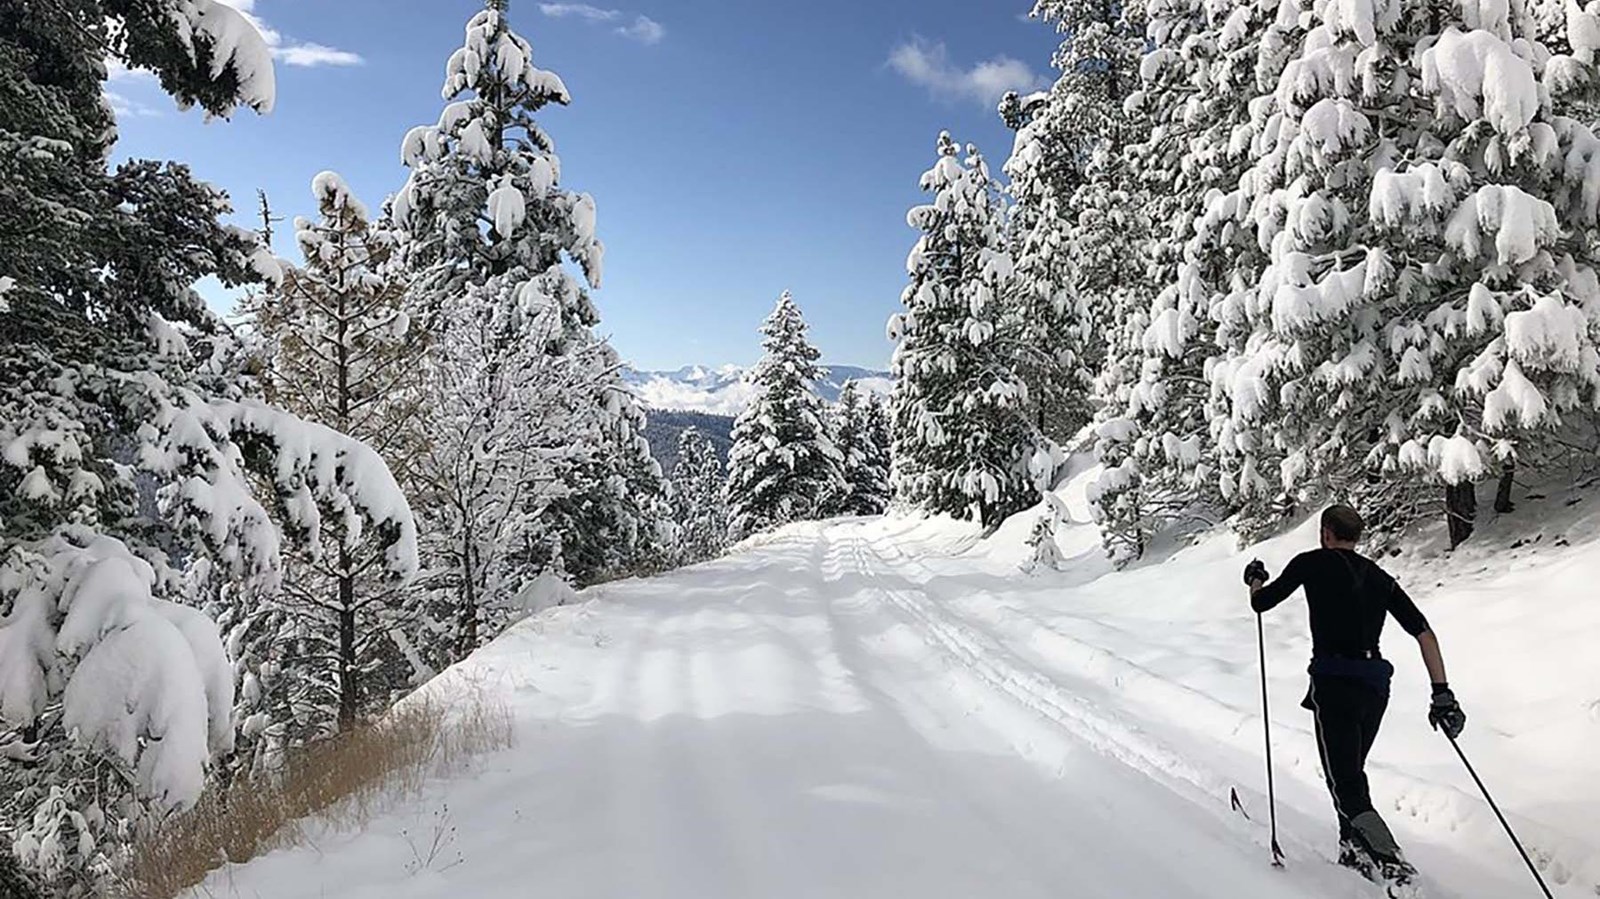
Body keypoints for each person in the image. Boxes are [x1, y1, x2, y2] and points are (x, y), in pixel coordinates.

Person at [1244, 504, 1467, 888]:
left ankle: (1395, 868)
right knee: (1350, 773)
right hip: (1375, 686)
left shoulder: (1311, 562)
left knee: (1344, 782)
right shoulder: (1379, 577)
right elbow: (1424, 633)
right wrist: (1442, 694)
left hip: (1334, 682)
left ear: (1326, 533)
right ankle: (1352, 851)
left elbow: (1261, 603)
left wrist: (1255, 579)